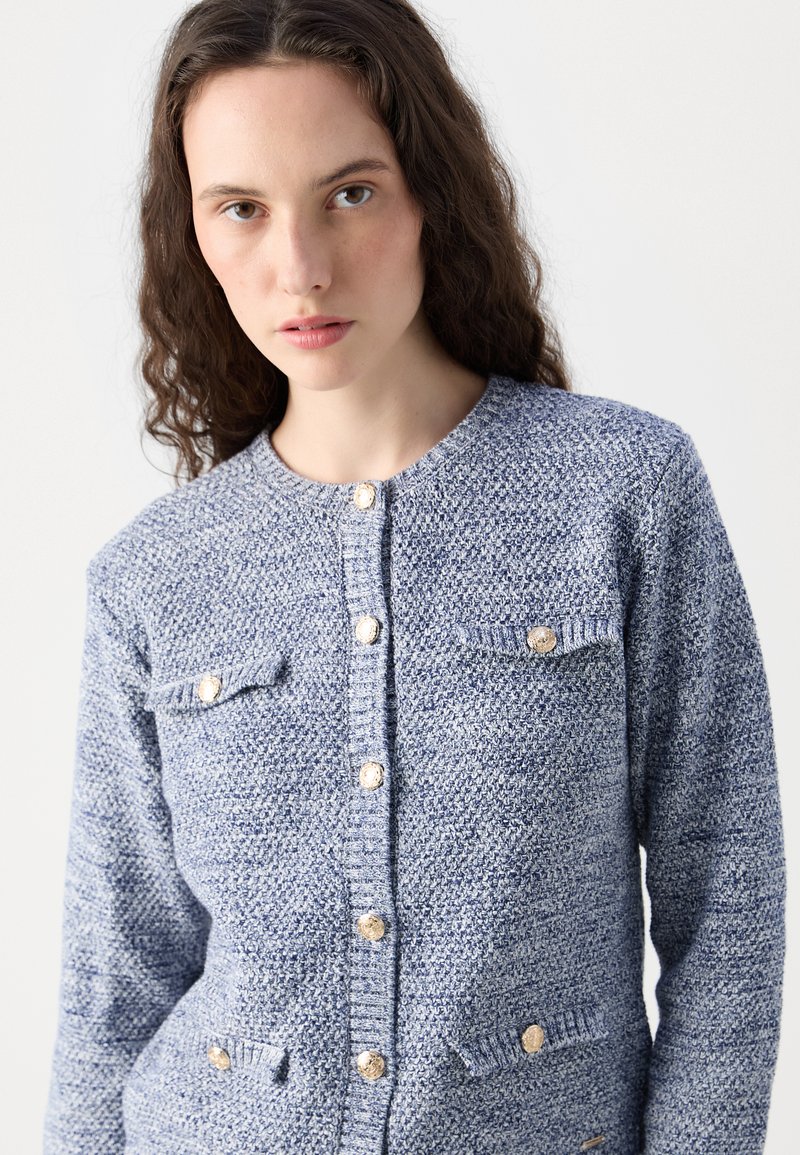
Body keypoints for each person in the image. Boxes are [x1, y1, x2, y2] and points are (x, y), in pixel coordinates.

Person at [43, 0, 786, 1152]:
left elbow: (726, 895)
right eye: (241, 209)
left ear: (429, 191)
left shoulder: (620, 491)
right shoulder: (152, 578)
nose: (299, 268)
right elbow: (114, 988)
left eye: (349, 194)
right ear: (191, 231)